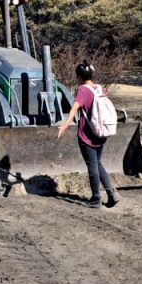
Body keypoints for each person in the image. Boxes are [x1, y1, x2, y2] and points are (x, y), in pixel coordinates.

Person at [57, 61, 119, 208]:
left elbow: (74, 109)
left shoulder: (82, 90)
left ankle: (96, 199)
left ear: (78, 76)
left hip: (88, 134)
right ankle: (111, 193)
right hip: (102, 132)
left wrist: (65, 125)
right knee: (98, 162)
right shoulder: (100, 88)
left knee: (92, 165)